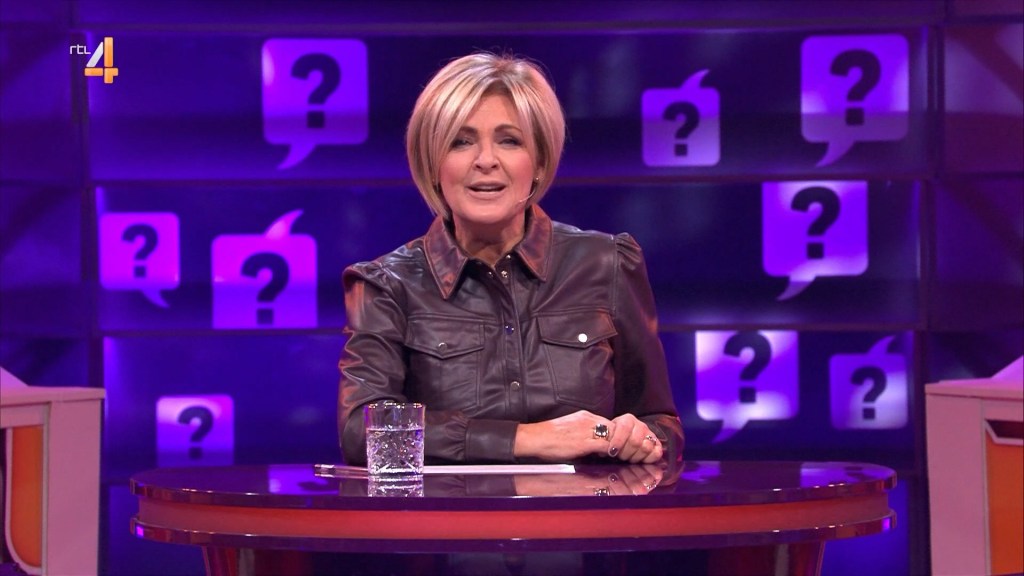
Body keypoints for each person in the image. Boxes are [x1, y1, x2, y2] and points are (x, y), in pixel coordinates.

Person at [337, 51, 683, 469]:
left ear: (539, 162)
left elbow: (661, 424)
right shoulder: (387, 284)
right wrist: (530, 439)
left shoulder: (607, 263)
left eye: (509, 140)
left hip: (584, 510)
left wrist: (641, 439)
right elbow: (362, 430)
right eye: (461, 142)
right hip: (450, 512)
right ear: (433, 165)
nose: (486, 160)